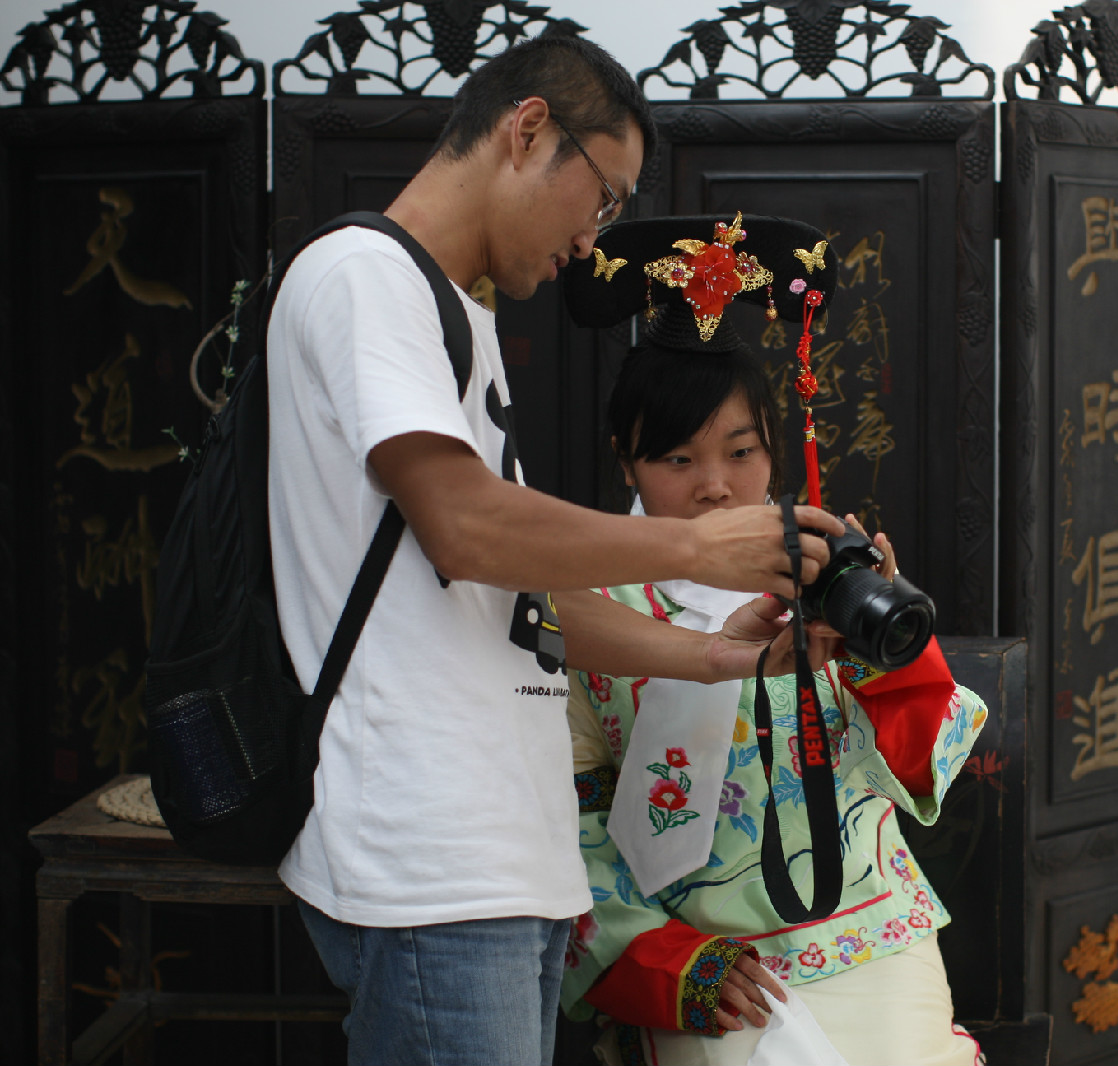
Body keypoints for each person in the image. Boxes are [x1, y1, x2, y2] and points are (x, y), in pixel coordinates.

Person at [265, 40, 846, 1065]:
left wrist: (721, 657)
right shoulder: (364, 275)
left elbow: (518, 593)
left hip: (504, 856)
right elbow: (466, 524)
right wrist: (696, 547)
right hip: (430, 859)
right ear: (527, 128)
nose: (592, 240)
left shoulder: (462, 318)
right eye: (603, 197)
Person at [557, 214, 988, 1066]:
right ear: (625, 460)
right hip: (712, 964)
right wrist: (667, 964)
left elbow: (921, 762)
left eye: (741, 450)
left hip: (871, 933)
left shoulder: (824, 577)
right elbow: (567, 828)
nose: (716, 486)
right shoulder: (584, 605)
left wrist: (886, 651)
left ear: (773, 448)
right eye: (675, 460)